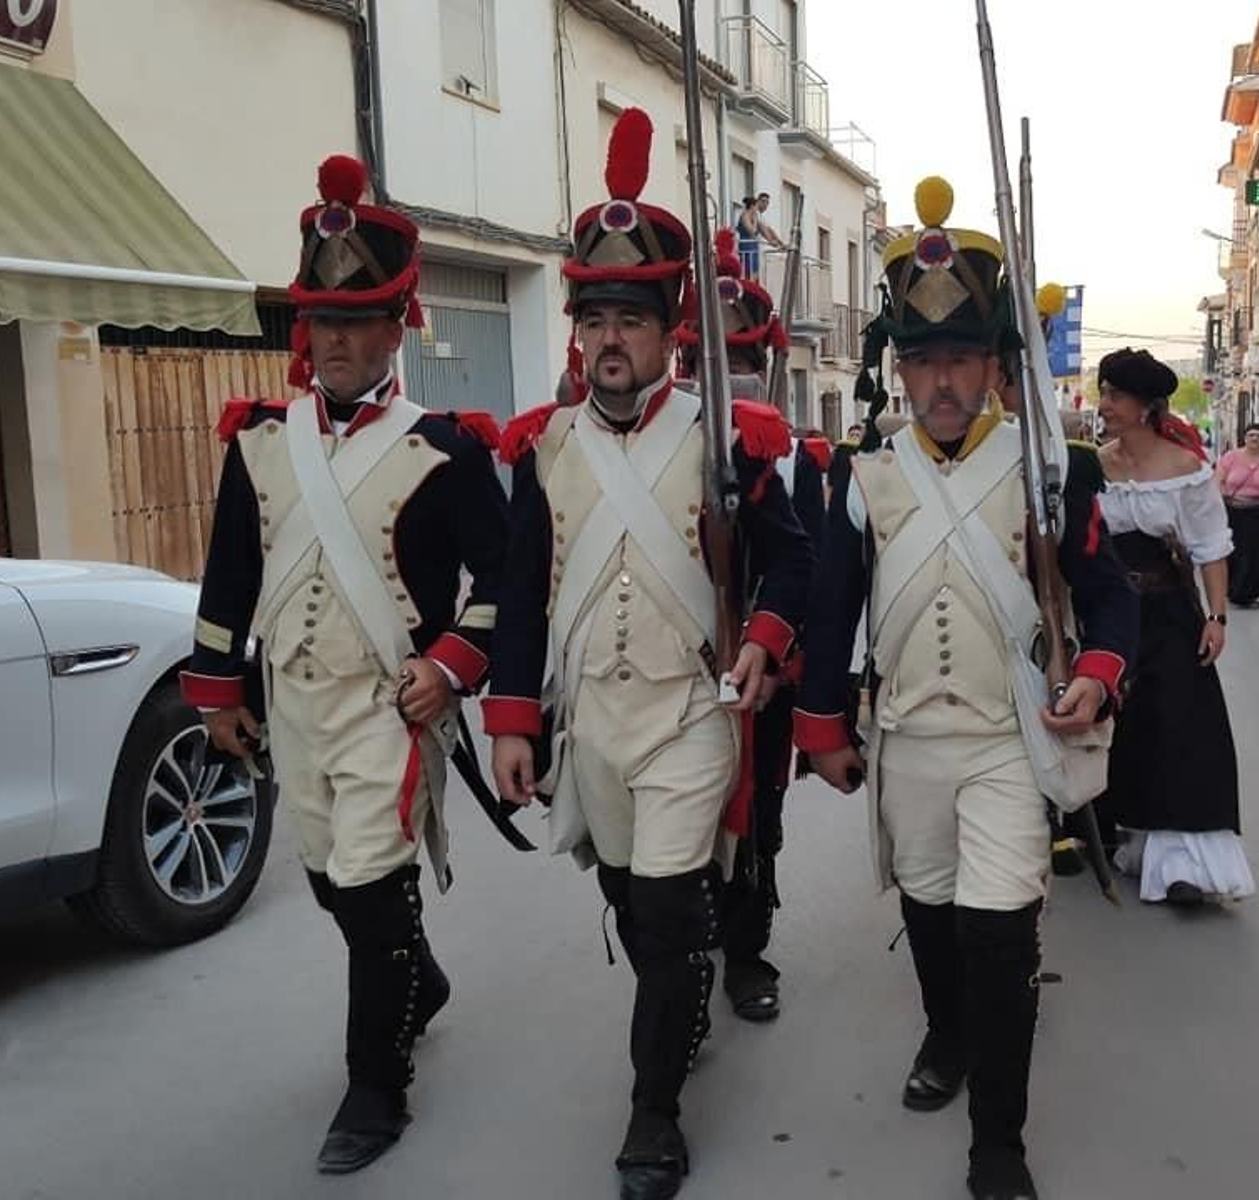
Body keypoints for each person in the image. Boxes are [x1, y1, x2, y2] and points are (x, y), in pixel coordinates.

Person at [484, 109, 813, 1200]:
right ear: (575, 331)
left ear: (672, 329)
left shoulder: (735, 441)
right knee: (632, 908)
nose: (608, 338)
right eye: (594, 318)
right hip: (594, 728)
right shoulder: (541, 449)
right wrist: (515, 721)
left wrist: (764, 635)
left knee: (668, 915)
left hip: (688, 720)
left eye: (630, 316)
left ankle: (652, 1113)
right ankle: (683, 990)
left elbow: (795, 569)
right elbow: (521, 599)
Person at [793, 177, 1138, 1200]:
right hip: (904, 738)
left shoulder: (1053, 470)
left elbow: (1110, 603)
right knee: (935, 920)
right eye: (922, 360)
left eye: (960, 358)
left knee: (1001, 933)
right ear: (901, 371)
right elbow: (828, 610)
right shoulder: (861, 473)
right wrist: (821, 727)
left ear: (994, 367)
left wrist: (1099, 681)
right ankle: (945, 1032)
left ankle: (1000, 1140)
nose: (941, 381)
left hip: (1004, 744)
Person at [180, 155, 510, 1174]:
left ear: (397, 323)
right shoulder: (261, 445)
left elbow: (506, 588)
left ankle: (377, 1084)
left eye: (355, 318)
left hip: (388, 709)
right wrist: (216, 692)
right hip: (296, 709)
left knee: (370, 887)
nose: (331, 338)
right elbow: (229, 574)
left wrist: (451, 665)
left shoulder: (446, 451)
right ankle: (422, 976)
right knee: (329, 882)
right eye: (319, 317)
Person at [676, 229, 821, 1024]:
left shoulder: (797, 459)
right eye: (703, 364)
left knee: (755, 820)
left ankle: (746, 952)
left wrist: (779, 653)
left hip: (765, 674)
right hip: (675, 669)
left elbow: (814, 573)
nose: (719, 380)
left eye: (735, 363)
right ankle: (684, 955)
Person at [1093, 347, 1253, 909]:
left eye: (1115, 395)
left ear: (1144, 406)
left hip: (1168, 615)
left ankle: (1184, 863)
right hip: (1110, 616)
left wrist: (1216, 617)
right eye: (1103, 392)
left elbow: (1211, 548)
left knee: (1181, 731)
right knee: (1125, 731)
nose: (1104, 404)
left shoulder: (1186, 470)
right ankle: (1128, 837)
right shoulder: (1094, 466)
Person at [1214, 423, 1259, 606]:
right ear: (1245, 438)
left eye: (1258, 435)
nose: (1254, 438)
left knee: (1257, 551)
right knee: (1236, 549)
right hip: (1234, 510)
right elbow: (1217, 482)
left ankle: (1252, 592)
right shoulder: (1230, 458)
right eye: (1250, 435)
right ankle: (1235, 591)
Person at [734, 191, 785, 280]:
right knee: (747, 271)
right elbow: (752, 232)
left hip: (753, 247)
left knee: (754, 272)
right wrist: (755, 220)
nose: (756, 209)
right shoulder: (745, 216)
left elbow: (765, 229)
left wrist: (776, 242)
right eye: (756, 207)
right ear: (752, 206)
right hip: (746, 247)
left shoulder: (755, 217)